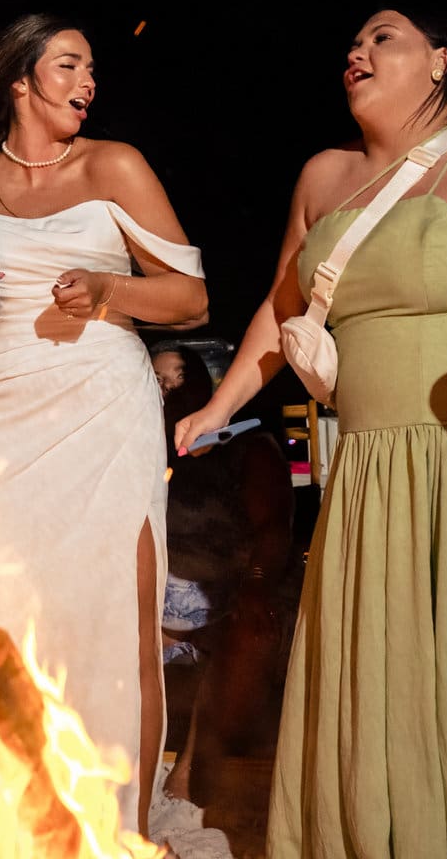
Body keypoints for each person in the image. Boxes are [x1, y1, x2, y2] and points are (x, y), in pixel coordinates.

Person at [174, 7, 447, 856]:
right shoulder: (323, 177)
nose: (358, 49)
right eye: (353, 41)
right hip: (379, 473)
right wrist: (219, 407)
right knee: (403, 688)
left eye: (385, 37)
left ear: (441, 62)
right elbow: (283, 307)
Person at [0, 14, 207, 838]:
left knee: (116, 618)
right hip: (2, 414)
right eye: (70, 65)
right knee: (0, 616)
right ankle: (13, 822)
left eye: (91, 69)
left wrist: (111, 293)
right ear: (20, 81)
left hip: (105, 404)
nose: (88, 82)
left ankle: (125, 830)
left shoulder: (115, 166)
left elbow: (190, 296)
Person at [150, 343, 292, 805]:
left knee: (250, 637)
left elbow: (274, 527)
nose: (165, 390)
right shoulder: (144, 448)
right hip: (151, 615)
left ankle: (190, 775)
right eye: (155, 380)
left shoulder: (245, 448)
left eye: (174, 379)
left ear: (201, 386)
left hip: (220, 610)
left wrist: (253, 587)